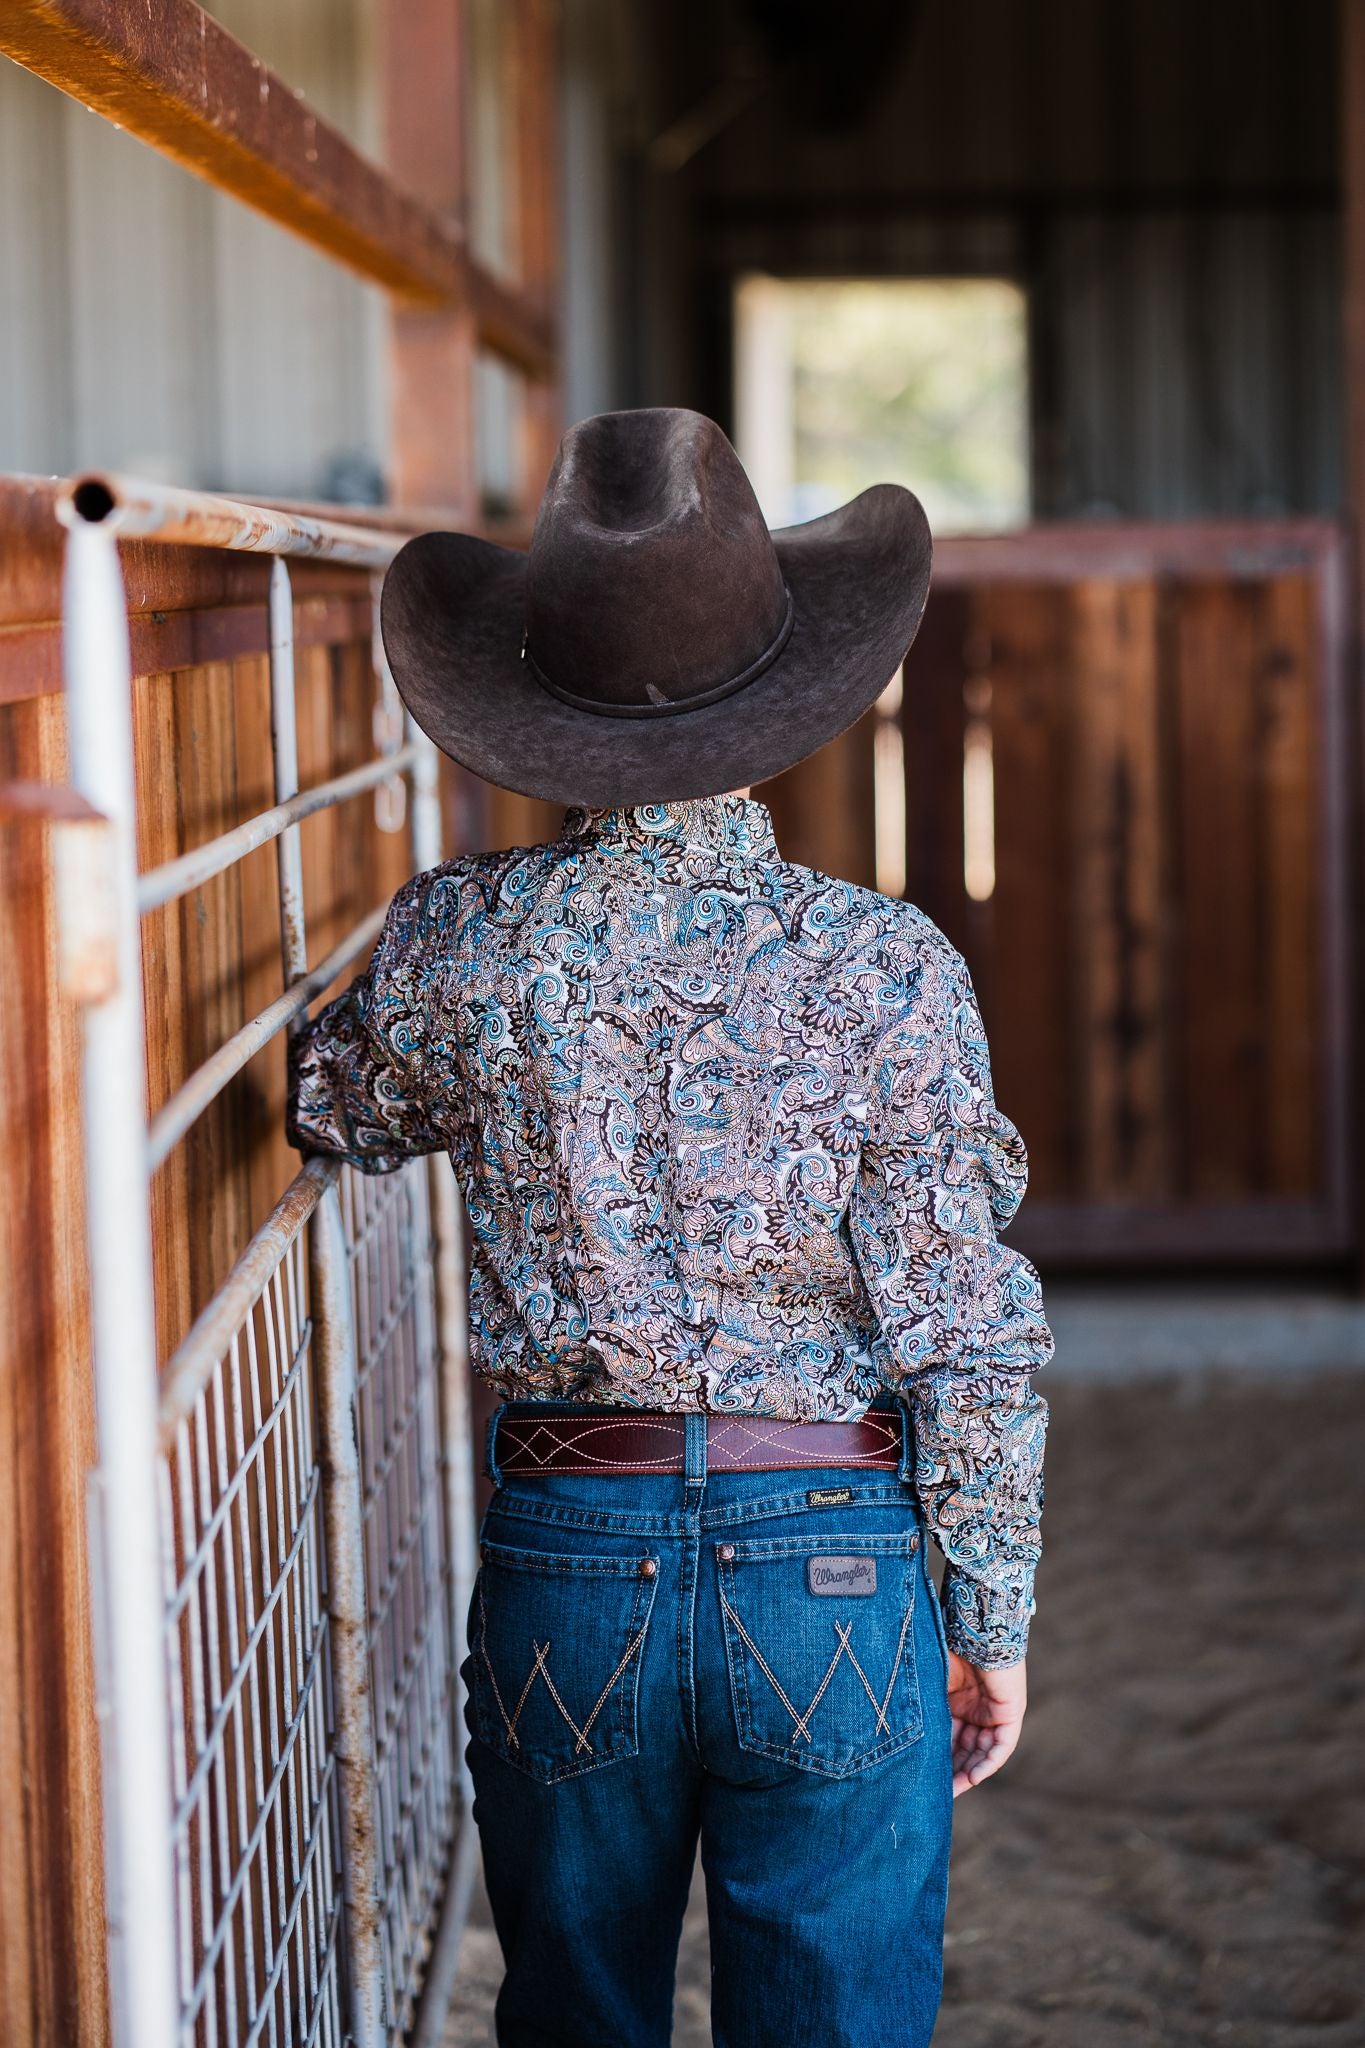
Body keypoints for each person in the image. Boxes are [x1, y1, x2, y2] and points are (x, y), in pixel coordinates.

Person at [288, 407, 1052, 2048]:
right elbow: (964, 1324)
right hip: (831, 1551)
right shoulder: (882, 964)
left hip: (573, 1546)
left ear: (535, 710)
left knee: (577, 2010)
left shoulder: (461, 942)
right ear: (783, 712)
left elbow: (337, 1114)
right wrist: (986, 1616)